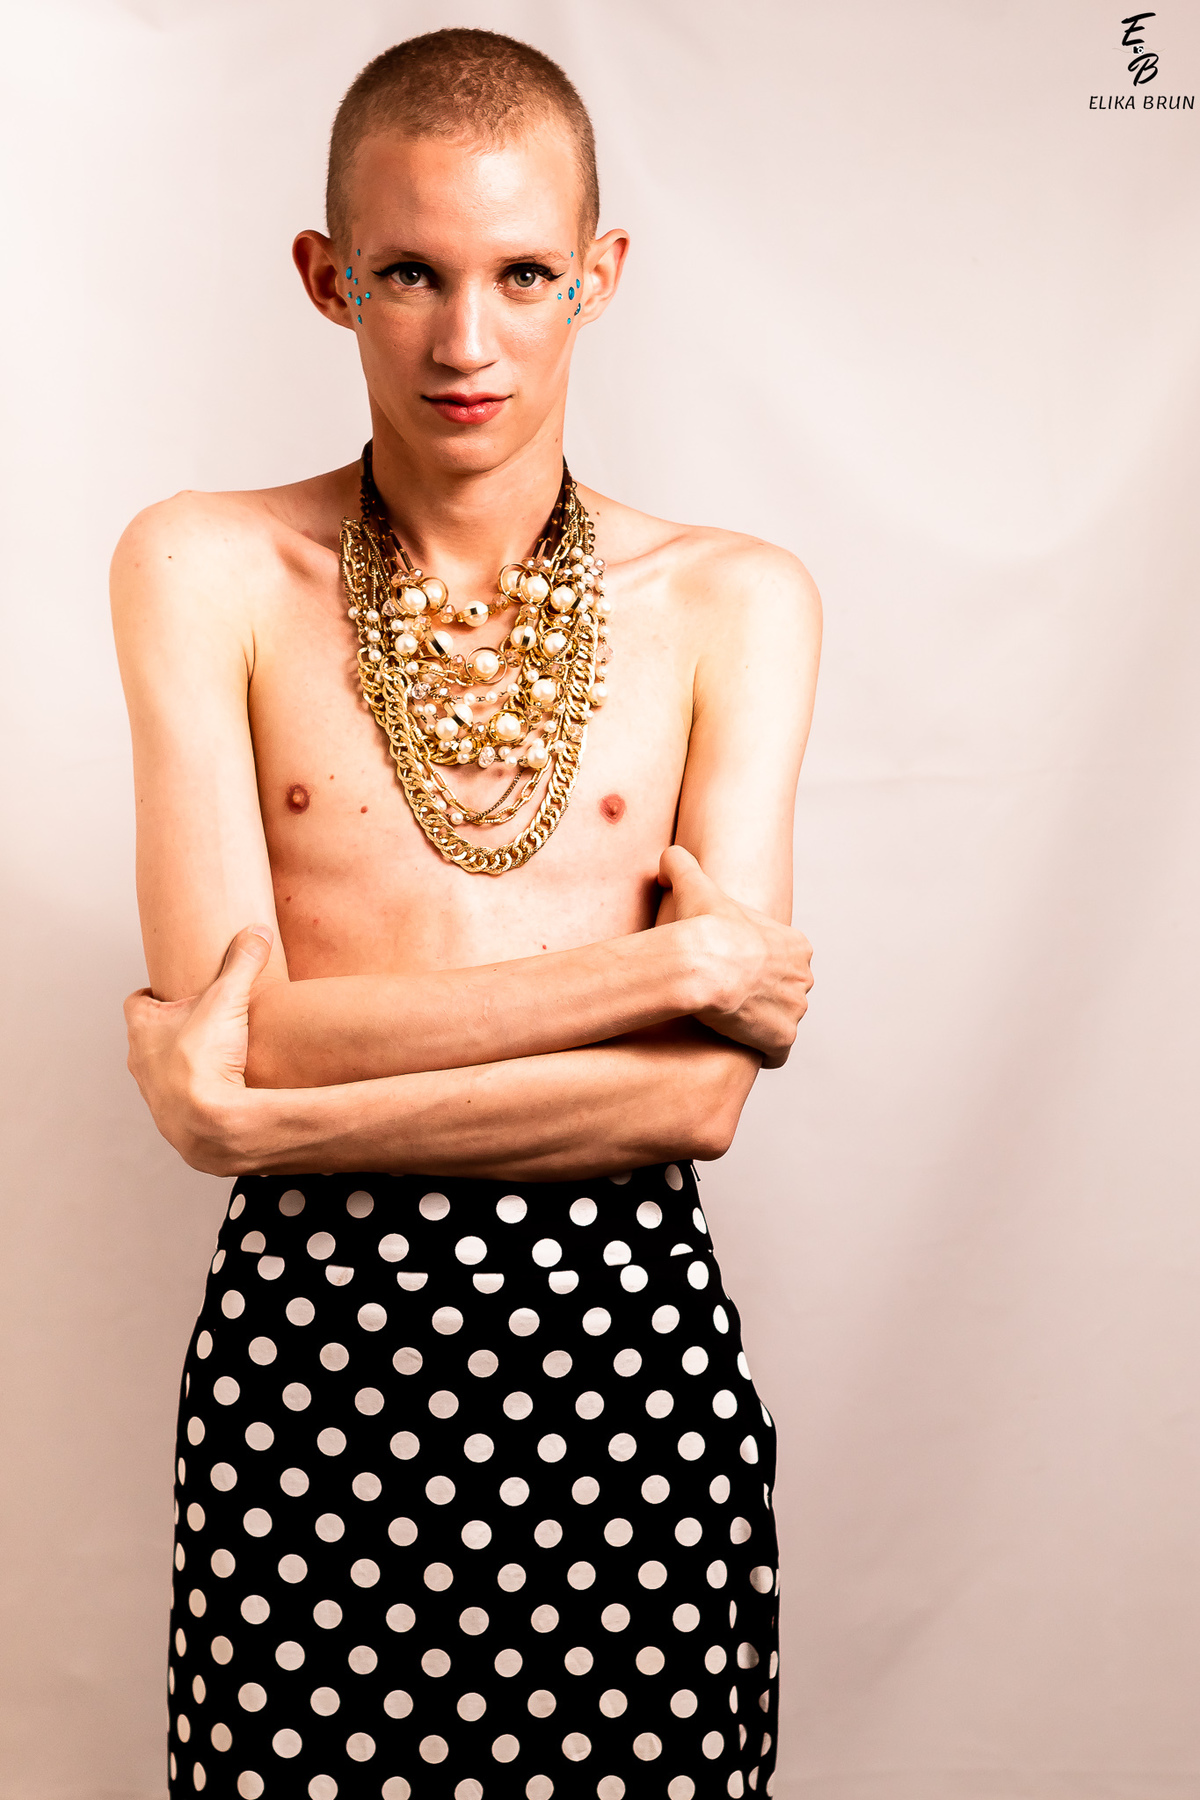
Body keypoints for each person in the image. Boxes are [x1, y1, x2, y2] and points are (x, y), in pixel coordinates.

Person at [113, 28, 820, 1800]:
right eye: (412, 274)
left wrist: (265, 1123)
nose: (466, 342)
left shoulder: (734, 602)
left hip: (629, 1376)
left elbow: (699, 1100)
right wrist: (669, 968)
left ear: (601, 276)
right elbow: (253, 1032)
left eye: (521, 275)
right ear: (327, 277)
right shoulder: (203, 567)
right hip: (309, 1375)